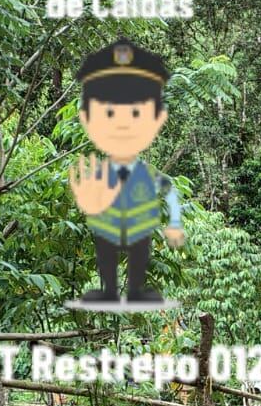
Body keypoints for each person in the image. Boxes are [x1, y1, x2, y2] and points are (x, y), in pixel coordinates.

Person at [66, 39, 184, 311]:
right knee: (105, 250)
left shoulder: (146, 172)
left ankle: (134, 290)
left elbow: (169, 191)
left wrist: (174, 223)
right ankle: (108, 290)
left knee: (138, 252)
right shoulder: (100, 171)